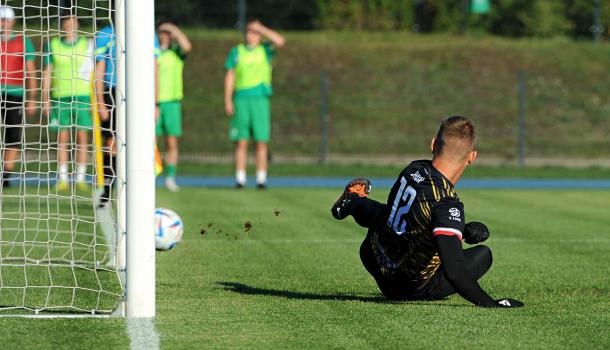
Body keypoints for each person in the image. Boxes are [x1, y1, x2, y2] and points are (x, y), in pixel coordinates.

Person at [330, 116, 524, 308]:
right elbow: (455, 270)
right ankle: (354, 202)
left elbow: (418, 220)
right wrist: (490, 303)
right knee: (484, 254)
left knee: (392, 214)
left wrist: (462, 229)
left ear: (433, 144)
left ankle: (353, 201)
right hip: (402, 287)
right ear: (472, 157)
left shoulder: (414, 169)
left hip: (372, 255)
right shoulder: (447, 204)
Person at [95, 21, 162, 204]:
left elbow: (154, 68)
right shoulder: (105, 35)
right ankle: (108, 189)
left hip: (139, 92)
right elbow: (99, 70)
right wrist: (100, 101)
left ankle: (137, 191)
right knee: (111, 142)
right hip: (113, 92)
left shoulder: (147, 33)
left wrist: (155, 102)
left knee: (140, 142)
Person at [224, 20, 285, 189]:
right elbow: (230, 75)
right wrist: (228, 99)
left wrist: (262, 28)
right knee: (241, 140)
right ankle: (240, 178)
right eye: (249, 31)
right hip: (241, 99)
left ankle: (261, 179)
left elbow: (280, 41)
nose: (252, 34)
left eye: (255, 32)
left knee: (261, 141)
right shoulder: (237, 51)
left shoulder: (265, 50)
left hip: (260, 100)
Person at [42, 14, 94, 192]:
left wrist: (94, 98)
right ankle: (63, 178)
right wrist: (45, 99)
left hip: (82, 96)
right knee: (62, 138)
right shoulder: (53, 44)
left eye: (74, 21)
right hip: (60, 96)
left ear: (77, 23)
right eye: (67, 21)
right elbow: (47, 72)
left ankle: (81, 177)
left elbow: (93, 72)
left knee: (82, 137)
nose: (70, 24)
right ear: (62, 24)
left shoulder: (86, 45)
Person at [0, 5, 37, 188]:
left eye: (6, 20)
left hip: (14, 93)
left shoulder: (23, 41)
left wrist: (32, 97)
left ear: (13, 21)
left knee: (13, 136)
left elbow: (31, 72)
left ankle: (6, 175)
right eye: (1, 20)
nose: (3, 24)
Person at [156, 22, 192, 192]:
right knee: (151, 143)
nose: (165, 35)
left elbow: (187, 46)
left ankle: (170, 178)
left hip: (172, 103)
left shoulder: (176, 52)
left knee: (171, 142)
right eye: (162, 32)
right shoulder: (153, 52)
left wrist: (175, 30)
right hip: (153, 103)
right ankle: (152, 174)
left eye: (167, 32)